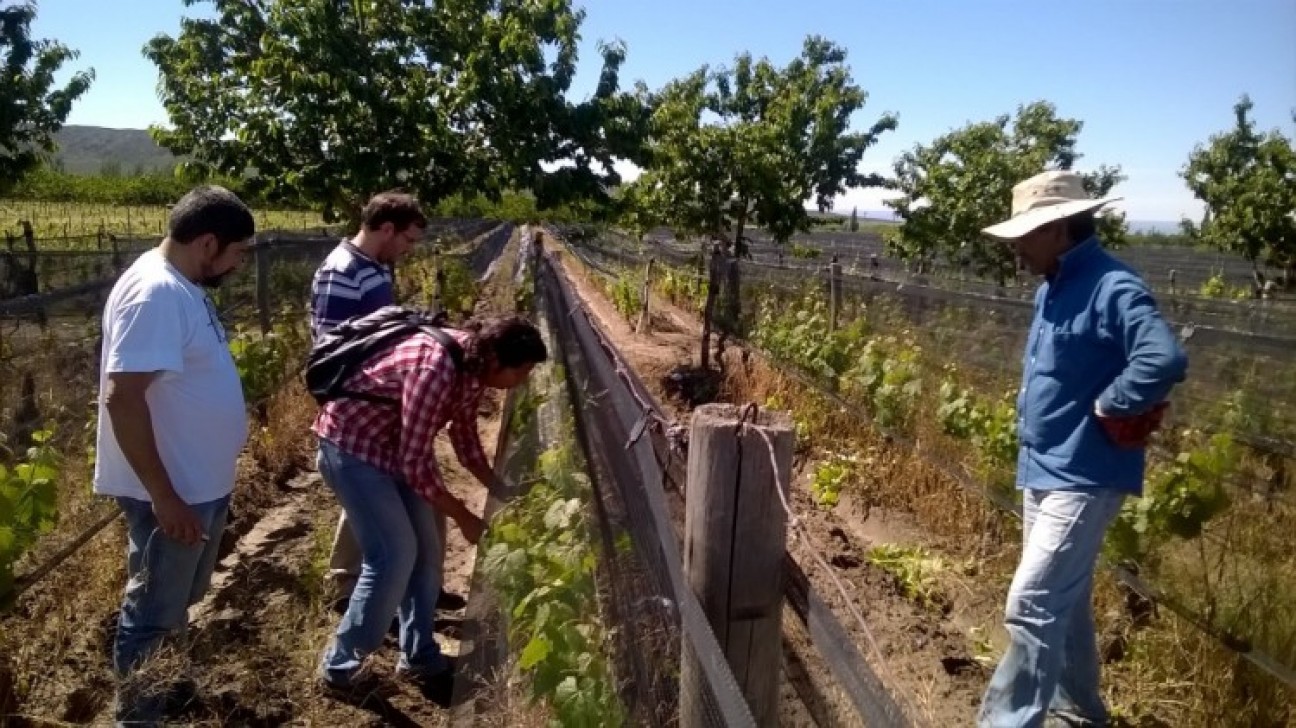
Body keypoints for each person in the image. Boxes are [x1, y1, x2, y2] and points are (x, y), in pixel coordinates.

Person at [978, 170, 1189, 728]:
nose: (1017, 247)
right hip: (1043, 469)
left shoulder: (1111, 285)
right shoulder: (1053, 285)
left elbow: (1162, 357)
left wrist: (1111, 403)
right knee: (1061, 607)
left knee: (1030, 604)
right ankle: (1078, 715)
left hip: (1084, 475)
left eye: (1025, 234)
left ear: (1057, 228)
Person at [312, 313, 547, 701]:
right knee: (392, 555)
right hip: (353, 449)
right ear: (497, 361)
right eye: (520, 372)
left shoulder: (472, 367)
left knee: (427, 552)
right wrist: (464, 516)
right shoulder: (435, 367)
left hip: (392, 449)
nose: (520, 382)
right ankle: (339, 669)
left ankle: (419, 656)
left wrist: (500, 488)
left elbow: (464, 435)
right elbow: (416, 463)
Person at [94, 185, 256, 725]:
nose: (236, 266)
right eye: (235, 254)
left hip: (197, 484)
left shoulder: (177, 283)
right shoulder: (156, 293)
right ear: (208, 243)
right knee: (152, 616)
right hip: (173, 493)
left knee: (174, 604)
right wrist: (165, 496)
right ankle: (138, 717)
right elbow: (123, 396)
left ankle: (165, 690)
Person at [309, 190, 462, 612]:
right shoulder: (341, 271)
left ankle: (421, 586)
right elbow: (330, 348)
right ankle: (349, 589)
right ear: (387, 228)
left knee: (398, 492)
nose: (409, 249)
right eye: (408, 239)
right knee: (374, 494)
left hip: (388, 397)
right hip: (363, 403)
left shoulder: (374, 268)